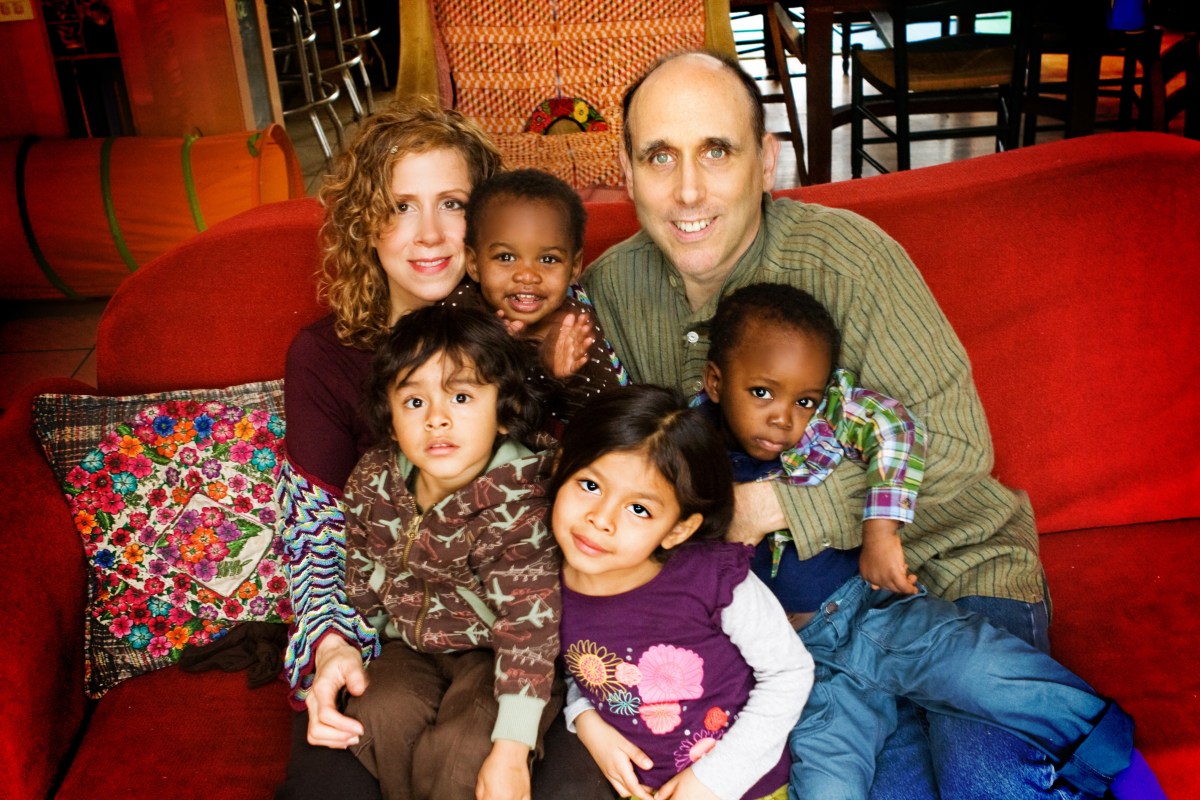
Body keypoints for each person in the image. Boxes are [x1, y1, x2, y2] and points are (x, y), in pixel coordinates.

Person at [578, 48, 1064, 797]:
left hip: (953, 570)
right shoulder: (610, 290)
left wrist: (772, 505)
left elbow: (957, 445)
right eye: (660, 156)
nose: (687, 189)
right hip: (806, 634)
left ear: (766, 161)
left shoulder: (851, 261)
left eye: (717, 150)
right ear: (628, 170)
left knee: (988, 781)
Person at [275, 98, 611, 800]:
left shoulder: (542, 313)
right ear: (364, 223)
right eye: (400, 207)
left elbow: (624, 470)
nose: (428, 234)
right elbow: (317, 538)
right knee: (337, 768)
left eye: (452, 204)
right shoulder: (322, 356)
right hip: (401, 640)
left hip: (538, 638)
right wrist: (331, 646)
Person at [699, 283, 1135, 798]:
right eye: (761, 393)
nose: (783, 417)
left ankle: (1120, 768)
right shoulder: (687, 446)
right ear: (715, 382)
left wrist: (880, 530)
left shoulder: (830, 419)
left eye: (805, 400)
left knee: (983, 669)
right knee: (826, 785)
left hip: (873, 610)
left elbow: (894, 428)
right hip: (806, 665)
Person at [551, 385, 813, 800]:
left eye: (639, 509)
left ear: (677, 529)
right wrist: (584, 716)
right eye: (590, 485)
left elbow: (789, 673)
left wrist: (712, 781)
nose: (600, 519)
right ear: (560, 467)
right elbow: (577, 664)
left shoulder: (714, 579)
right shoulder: (541, 579)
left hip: (746, 789)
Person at [341, 305, 559, 800]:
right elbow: (360, 565)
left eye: (461, 397)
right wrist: (357, 640)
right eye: (414, 402)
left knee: (465, 750)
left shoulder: (520, 504)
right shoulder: (375, 479)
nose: (437, 419)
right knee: (378, 712)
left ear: (503, 414)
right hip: (409, 644)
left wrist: (512, 748)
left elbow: (531, 627)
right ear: (391, 420)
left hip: (501, 654)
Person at [441, 168, 627, 433]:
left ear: (574, 267)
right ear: (474, 264)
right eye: (506, 257)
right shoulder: (458, 311)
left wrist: (561, 378)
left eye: (548, 259)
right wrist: (501, 355)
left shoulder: (575, 326)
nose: (527, 276)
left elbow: (606, 422)